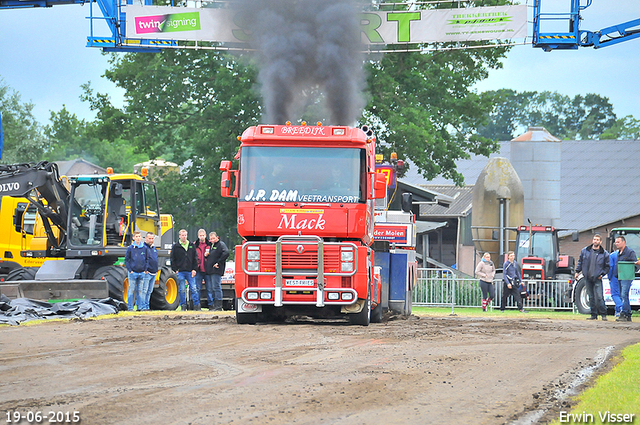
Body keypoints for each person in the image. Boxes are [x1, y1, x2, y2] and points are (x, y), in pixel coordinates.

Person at [575, 234, 610, 321]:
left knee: (599, 297)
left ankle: (603, 314)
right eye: (594, 239)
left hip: (597, 278)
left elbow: (607, 266)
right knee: (590, 297)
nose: (595, 241)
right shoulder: (585, 251)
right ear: (592, 240)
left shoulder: (604, 253)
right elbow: (580, 262)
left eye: (597, 240)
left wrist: (602, 274)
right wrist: (577, 272)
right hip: (587, 277)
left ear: (600, 242)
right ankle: (593, 314)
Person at [170, 229, 199, 311]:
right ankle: (183, 305)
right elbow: (172, 259)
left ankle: (196, 306)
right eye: (182, 235)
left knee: (193, 288)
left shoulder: (191, 245)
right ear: (179, 236)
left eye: (185, 235)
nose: (184, 237)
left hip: (190, 271)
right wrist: (175, 269)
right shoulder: (176, 246)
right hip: (180, 271)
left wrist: (194, 269)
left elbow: (195, 258)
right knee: (182, 289)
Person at [613, 236, 639, 322]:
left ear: (624, 242)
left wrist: (630, 272)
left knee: (624, 294)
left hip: (627, 277)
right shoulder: (618, 253)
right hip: (620, 277)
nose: (616, 244)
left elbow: (635, 265)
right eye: (616, 242)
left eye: (618, 242)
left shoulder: (629, 252)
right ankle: (627, 314)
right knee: (623, 295)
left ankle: (624, 313)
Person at [205, 231, 229, 312]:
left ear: (217, 237)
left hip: (217, 270)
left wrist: (218, 262)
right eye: (211, 239)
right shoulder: (212, 246)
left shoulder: (221, 244)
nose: (212, 240)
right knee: (212, 288)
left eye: (213, 238)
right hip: (211, 270)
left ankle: (218, 306)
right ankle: (215, 305)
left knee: (216, 287)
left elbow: (226, 253)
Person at [125, 230, 147, 311]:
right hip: (133, 273)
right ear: (133, 238)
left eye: (139, 236)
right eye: (136, 237)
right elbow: (126, 260)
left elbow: (147, 259)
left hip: (141, 272)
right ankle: (130, 308)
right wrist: (130, 270)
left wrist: (145, 269)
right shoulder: (130, 248)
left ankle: (140, 307)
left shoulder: (144, 248)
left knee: (140, 291)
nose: (138, 238)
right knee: (131, 290)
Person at [193, 228, 212, 309]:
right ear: (198, 236)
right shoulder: (194, 245)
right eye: (200, 235)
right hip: (198, 270)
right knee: (197, 288)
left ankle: (211, 305)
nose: (201, 237)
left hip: (208, 270)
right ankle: (197, 305)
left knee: (210, 288)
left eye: (203, 235)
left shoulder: (210, 244)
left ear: (205, 236)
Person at [142, 232, 158, 311]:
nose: (151, 240)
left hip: (154, 272)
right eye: (149, 238)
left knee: (149, 291)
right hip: (147, 272)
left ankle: (147, 306)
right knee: (144, 290)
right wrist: (145, 269)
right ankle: (142, 307)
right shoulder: (143, 248)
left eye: (152, 238)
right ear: (146, 238)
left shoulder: (153, 248)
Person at [607, 248, 623, 318]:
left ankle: (621, 308)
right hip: (623, 276)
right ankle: (617, 311)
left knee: (614, 294)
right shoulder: (624, 254)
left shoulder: (612, 255)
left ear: (613, 248)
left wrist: (609, 277)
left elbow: (610, 267)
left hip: (614, 276)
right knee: (621, 294)